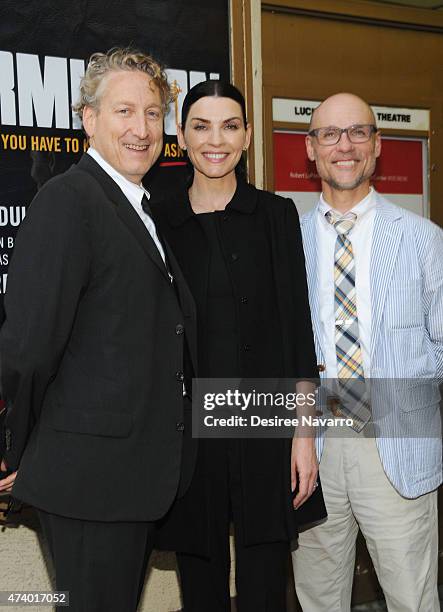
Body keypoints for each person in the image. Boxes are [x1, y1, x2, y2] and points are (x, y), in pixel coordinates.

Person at [0, 47, 197, 612]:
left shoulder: (137, 204)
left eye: (154, 113)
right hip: (89, 482)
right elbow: (29, 345)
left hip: (127, 479)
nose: (142, 128)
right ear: (88, 118)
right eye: (124, 111)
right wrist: (15, 448)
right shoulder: (69, 201)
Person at [151, 80, 326, 612]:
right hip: (191, 438)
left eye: (230, 126)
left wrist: (303, 433)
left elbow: (297, 329)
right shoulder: (160, 219)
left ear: (247, 136)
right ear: (181, 136)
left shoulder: (275, 216)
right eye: (201, 126)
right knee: (201, 592)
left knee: (265, 592)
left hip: (266, 432)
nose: (216, 140)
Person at [292, 92, 443, 611]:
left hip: (396, 449)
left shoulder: (425, 242)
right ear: (310, 149)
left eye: (358, 132)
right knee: (318, 598)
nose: (344, 146)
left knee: (412, 598)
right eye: (329, 134)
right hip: (311, 451)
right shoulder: (288, 244)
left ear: (377, 145)